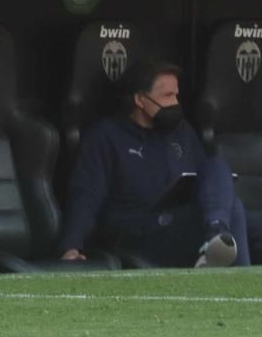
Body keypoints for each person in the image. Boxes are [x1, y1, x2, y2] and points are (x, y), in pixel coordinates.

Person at [59, 60, 252, 268]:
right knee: (231, 210)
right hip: (133, 235)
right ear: (140, 99)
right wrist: (71, 246)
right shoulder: (105, 137)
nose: (175, 103)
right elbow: (86, 196)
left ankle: (216, 240)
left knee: (219, 171)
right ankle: (222, 254)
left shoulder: (182, 132)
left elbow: (213, 193)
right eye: (168, 96)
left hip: (178, 224)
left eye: (176, 95)